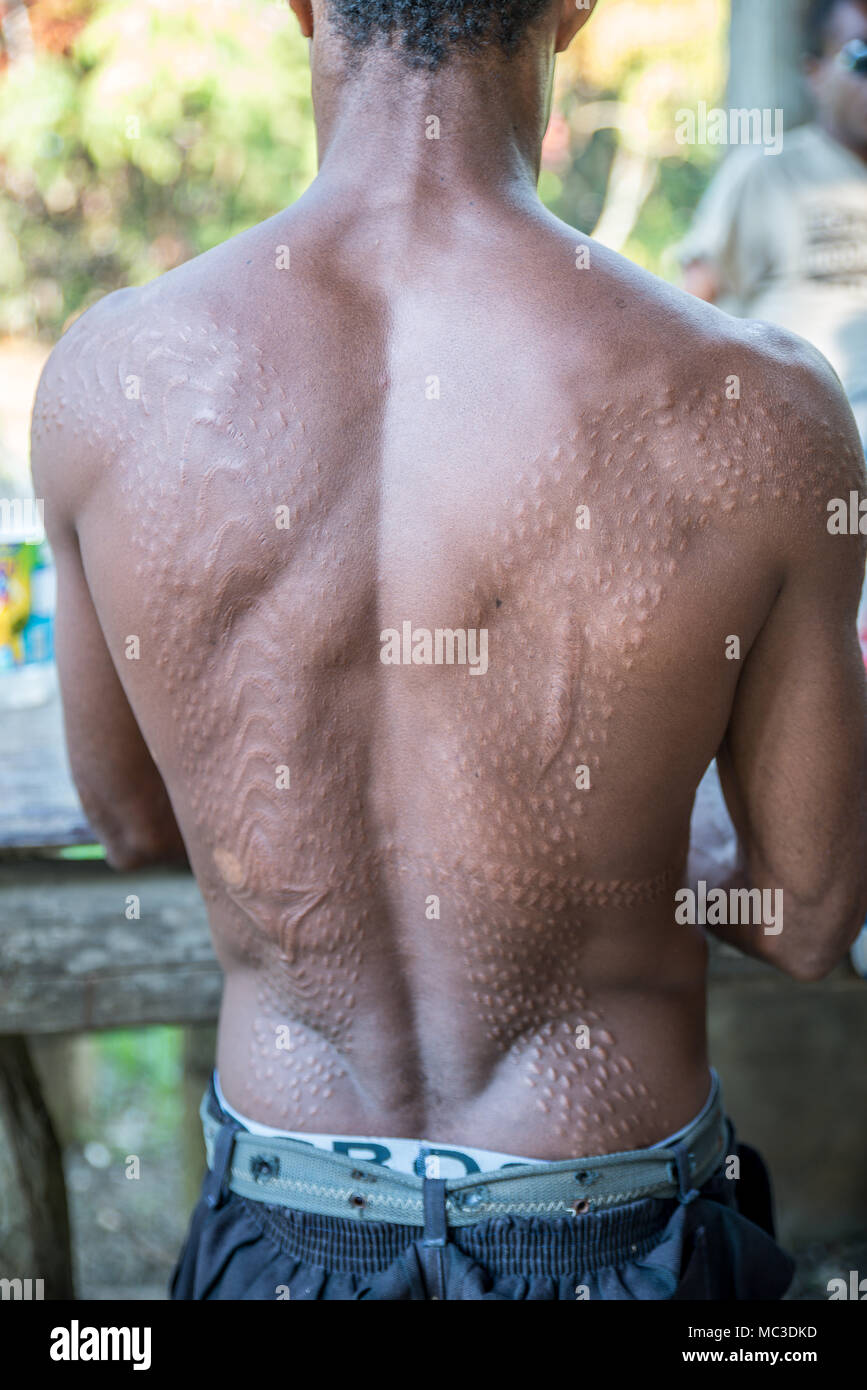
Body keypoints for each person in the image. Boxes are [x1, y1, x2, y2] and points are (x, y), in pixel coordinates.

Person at [30, 0, 867, 1301]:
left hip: (280, 1223)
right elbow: (810, 916)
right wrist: (638, 826)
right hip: (617, 1233)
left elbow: (129, 819)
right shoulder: (754, 404)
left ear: (303, 6)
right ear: (574, 6)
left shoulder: (107, 380)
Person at [680, 0, 867, 974]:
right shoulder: (768, 172)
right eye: (864, 55)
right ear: (813, 70)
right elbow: (688, 319)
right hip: (799, 496)